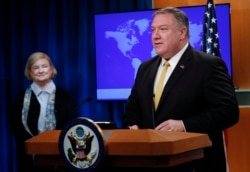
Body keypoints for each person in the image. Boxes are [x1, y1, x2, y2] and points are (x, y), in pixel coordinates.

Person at [123, 7, 239, 172]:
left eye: (163, 29)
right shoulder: (145, 68)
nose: (155, 36)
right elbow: (132, 111)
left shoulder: (208, 65)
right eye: (153, 30)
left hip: (196, 164)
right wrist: (132, 127)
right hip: (152, 162)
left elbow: (228, 112)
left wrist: (184, 125)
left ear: (182, 32)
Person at [10, 52, 77, 172]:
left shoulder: (65, 96)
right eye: (35, 67)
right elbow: (16, 126)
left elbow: (71, 125)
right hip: (29, 158)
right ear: (30, 72)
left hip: (59, 157)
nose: (41, 71)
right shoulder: (21, 97)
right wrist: (36, 146)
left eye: (44, 66)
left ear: (51, 70)